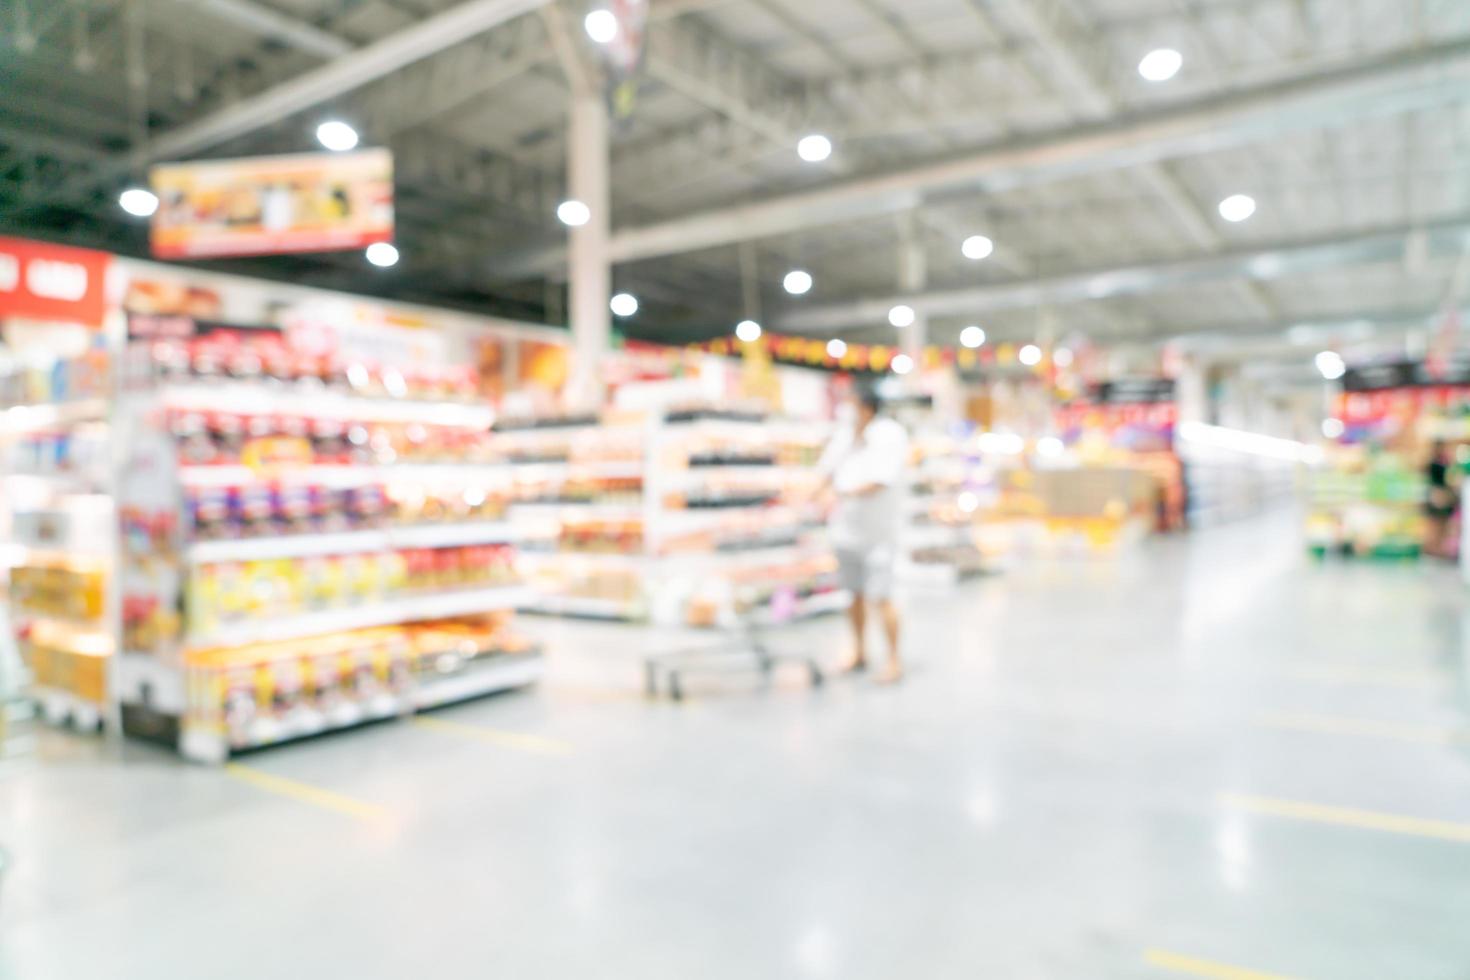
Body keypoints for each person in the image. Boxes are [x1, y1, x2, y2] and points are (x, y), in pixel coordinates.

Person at [817, 386, 910, 683]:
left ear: (866, 407)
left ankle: (893, 659)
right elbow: (825, 472)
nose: (846, 409)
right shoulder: (844, 436)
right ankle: (858, 651)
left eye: (851, 403)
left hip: (878, 534)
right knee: (852, 594)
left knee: (882, 597)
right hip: (846, 532)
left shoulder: (889, 435)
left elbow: (880, 481)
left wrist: (839, 493)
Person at [1424, 440, 1458, 558]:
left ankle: (1437, 548)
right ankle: (1433, 548)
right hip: (1438, 495)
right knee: (1436, 523)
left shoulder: (1443, 463)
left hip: (1441, 495)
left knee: (1441, 522)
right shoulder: (1435, 464)